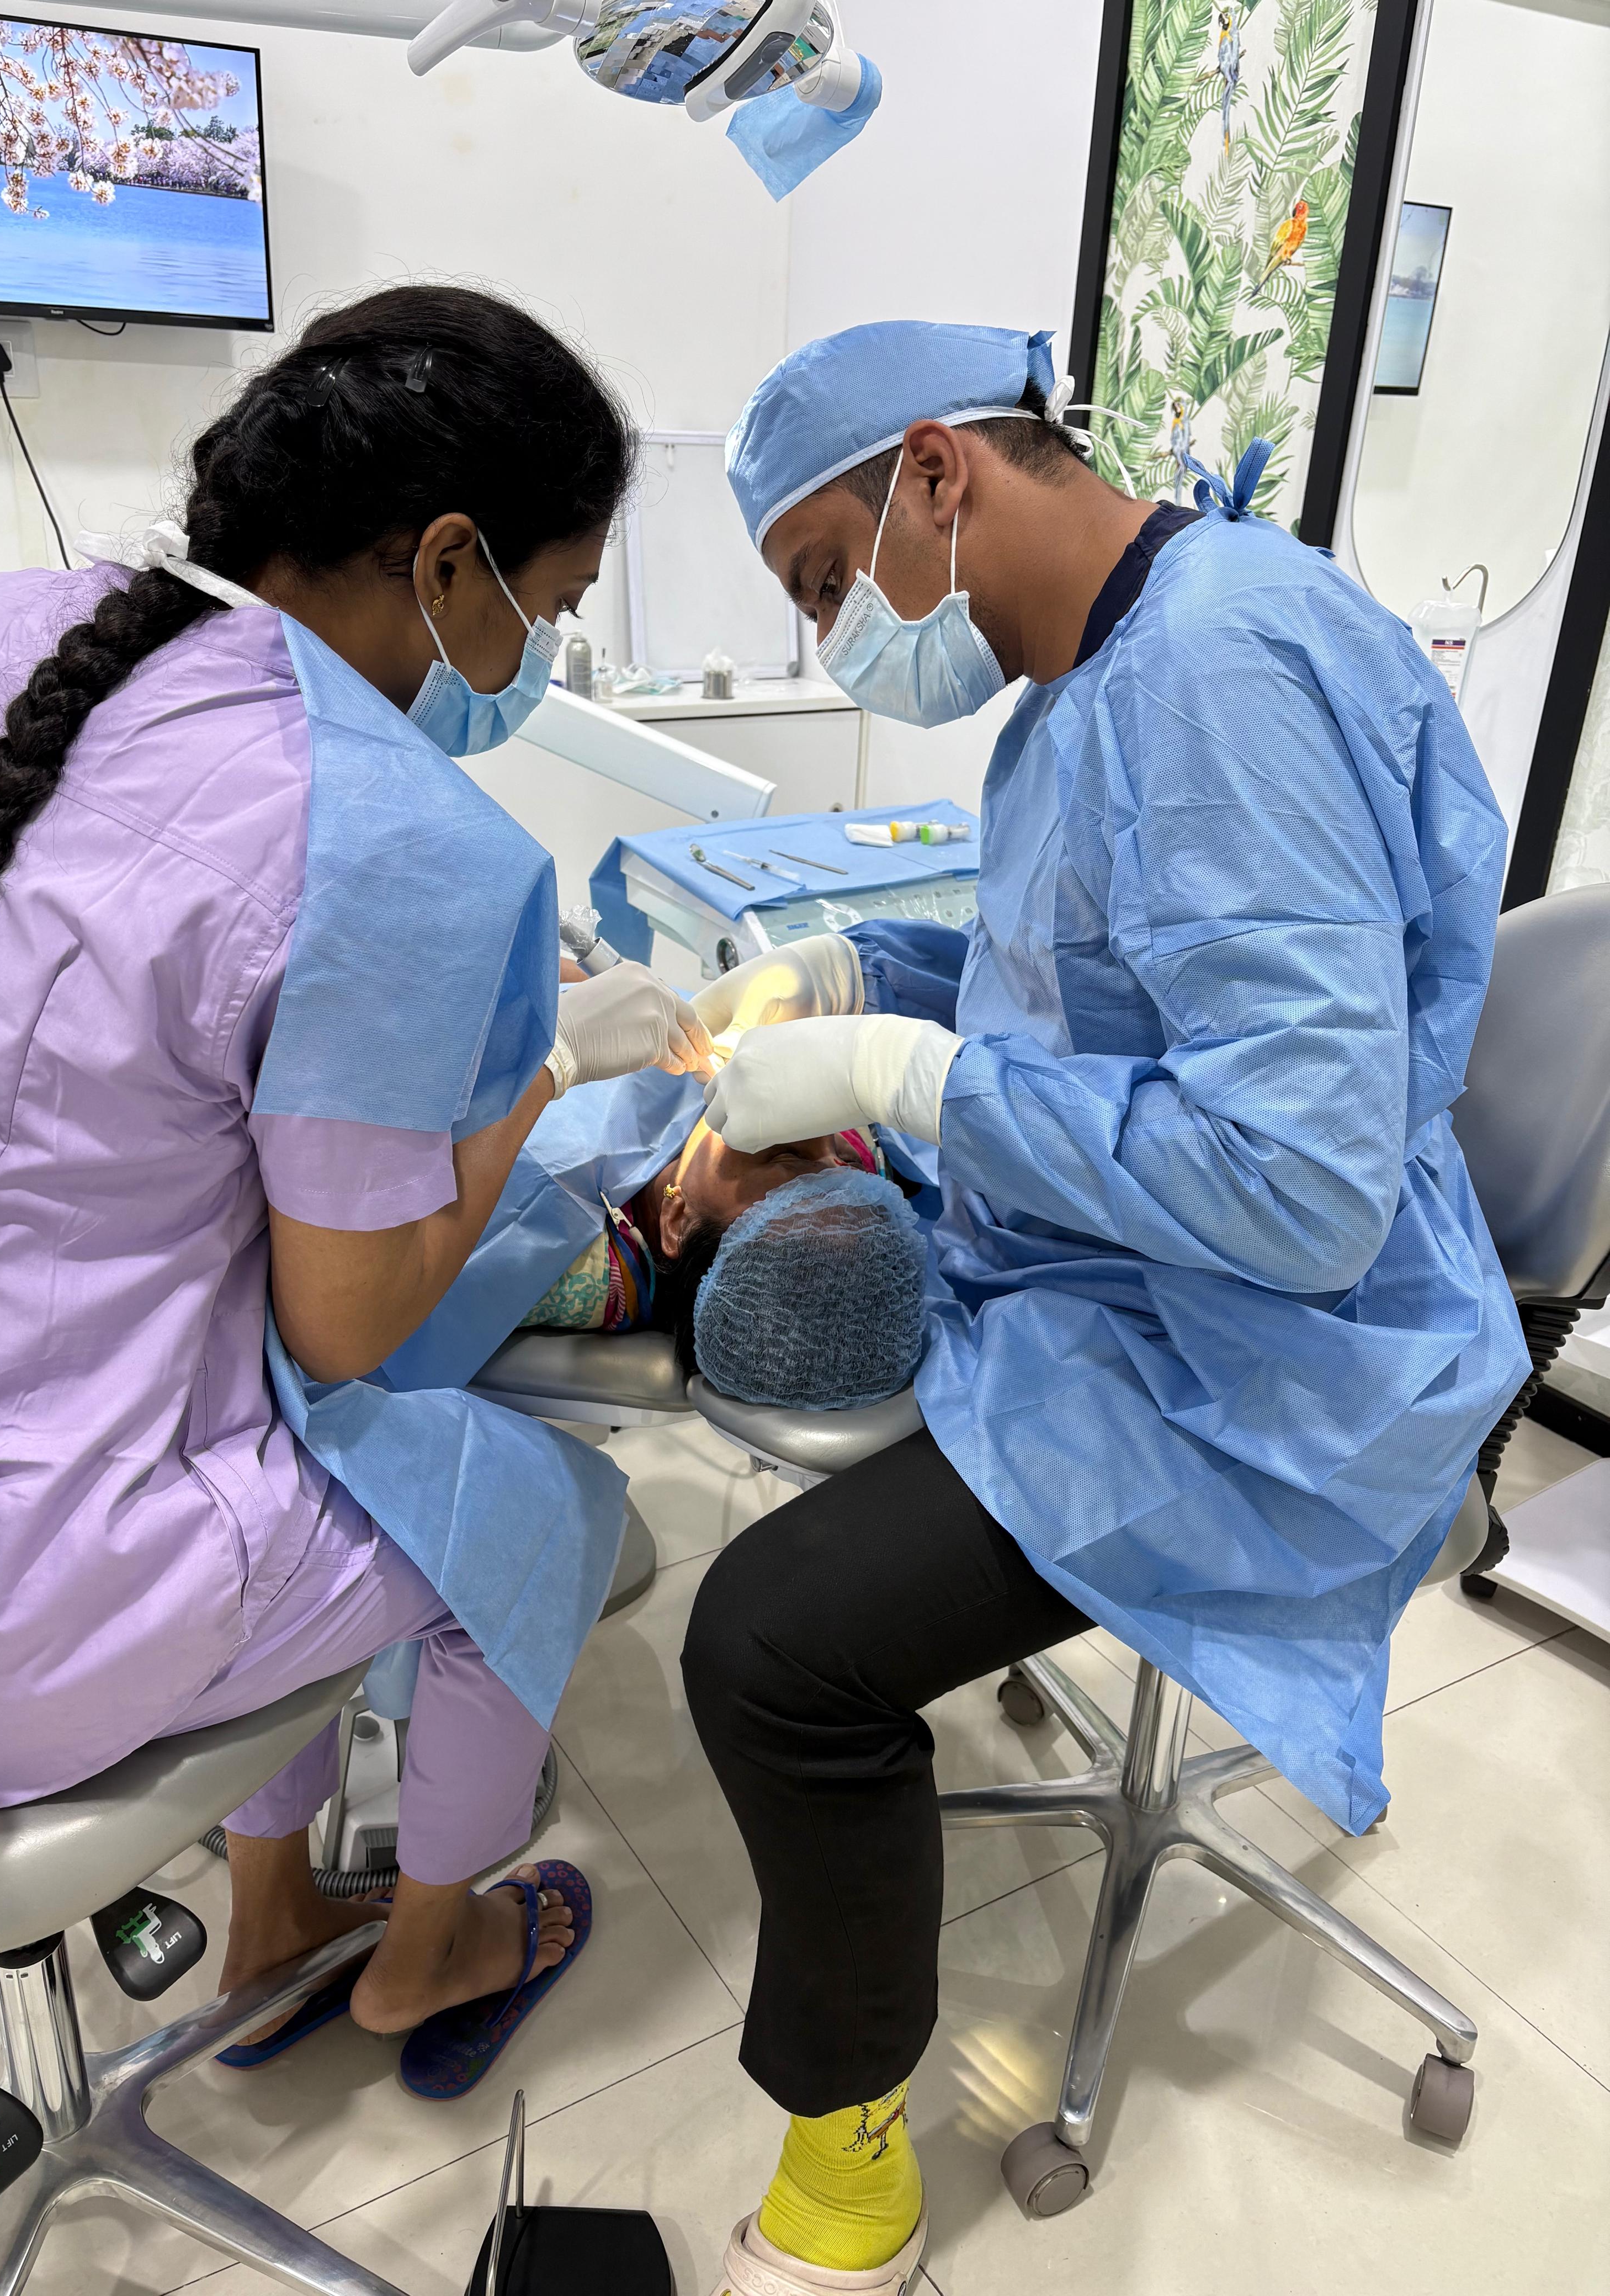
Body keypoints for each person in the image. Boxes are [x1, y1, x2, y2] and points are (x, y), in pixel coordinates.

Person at [679, 321, 1530, 2291]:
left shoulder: (1220, 663)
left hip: (1277, 1360)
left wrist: (897, 1082)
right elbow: (1068, 974)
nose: (835, 638)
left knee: (771, 1642)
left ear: (934, 473)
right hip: (1153, 1281)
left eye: (825, 580)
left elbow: (1300, 1190)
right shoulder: (1093, 680)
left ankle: (847, 2172)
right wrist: (839, 969)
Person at [0, 285, 713, 2097]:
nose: (530, 658)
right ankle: (437, 1948)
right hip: (5, 1622)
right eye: (548, 610)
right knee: (538, 1514)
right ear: (445, 560)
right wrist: (554, 1068)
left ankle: (270, 1911)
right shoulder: (396, 835)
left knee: (286, 1439)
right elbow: (348, 1315)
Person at [378, 1060, 929, 1412]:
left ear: (676, 1221)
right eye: (844, 1165)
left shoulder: (526, 1207)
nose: (819, 1128)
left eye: (785, 1155)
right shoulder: (851, 1157)